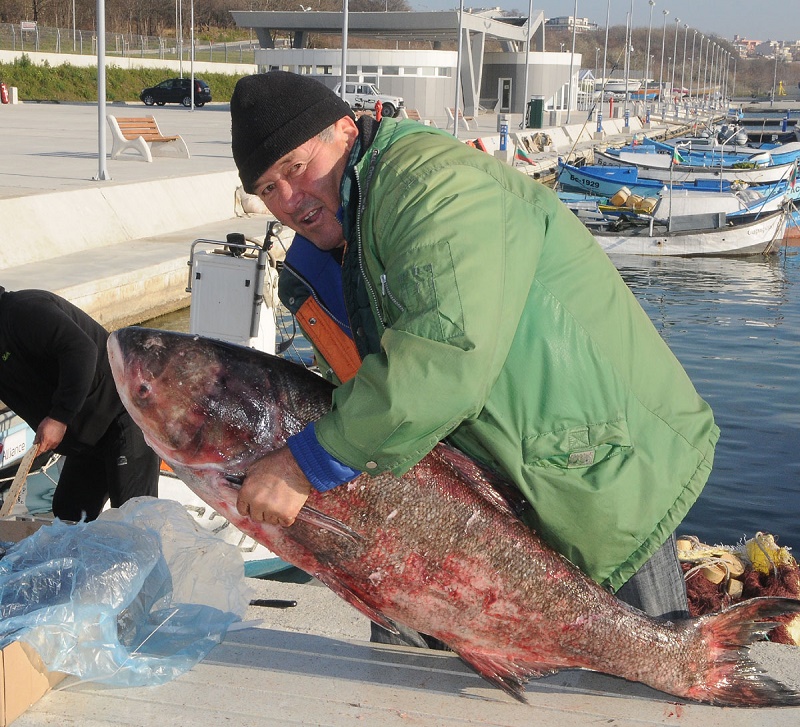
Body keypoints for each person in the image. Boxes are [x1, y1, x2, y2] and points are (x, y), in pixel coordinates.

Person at [229, 72, 719, 629]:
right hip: (496, 490)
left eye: (294, 168)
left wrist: (304, 464)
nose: (289, 199)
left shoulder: (433, 186)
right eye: (267, 188)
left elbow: (443, 358)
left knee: (649, 678)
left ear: (345, 129)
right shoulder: (345, 233)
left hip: (597, 468)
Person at [0, 287, 160, 521]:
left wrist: (59, 417)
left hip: (121, 416)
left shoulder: (24, 310)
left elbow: (81, 349)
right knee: (68, 515)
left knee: (133, 520)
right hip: (83, 441)